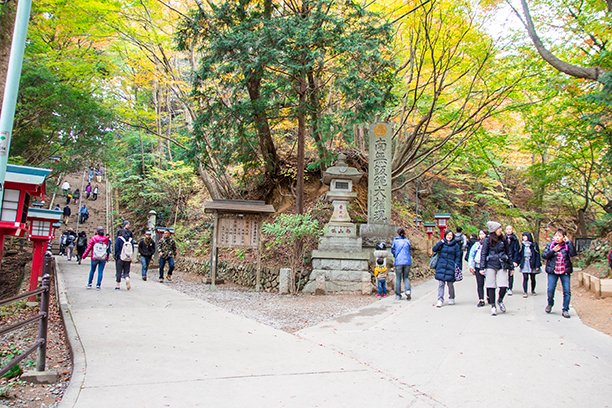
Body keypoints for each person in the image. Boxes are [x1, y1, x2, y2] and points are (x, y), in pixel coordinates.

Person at [542, 228, 577, 318]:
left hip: (564, 272)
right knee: (550, 289)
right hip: (553, 271)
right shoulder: (550, 245)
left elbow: (573, 254)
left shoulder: (567, 246)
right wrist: (553, 250)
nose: (557, 238)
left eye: (559, 236)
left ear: (564, 237)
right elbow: (544, 256)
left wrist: (569, 242)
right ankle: (550, 304)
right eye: (556, 235)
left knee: (567, 291)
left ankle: (565, 309)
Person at [480, 221, 511, 316]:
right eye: (499, 228)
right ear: (494, 230)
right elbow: (483, 253)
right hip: (490, 264)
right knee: (491, 285)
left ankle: (500, 300)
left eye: (501, 228)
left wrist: (511, 266)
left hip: (502, 263)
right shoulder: (487, 240)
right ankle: (493, 306)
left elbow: (508, 252)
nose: (501, 230)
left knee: (504, 285)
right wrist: (482, 267)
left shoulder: (503, 239)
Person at [433, 230, 462, 307]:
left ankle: (451, 297)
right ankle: (440, 299)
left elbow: (458, 256)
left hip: (450, 266)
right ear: (445, 235)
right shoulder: (442, 244)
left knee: (450, 283)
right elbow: (434, 249)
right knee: (441, 284)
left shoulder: (455, 245)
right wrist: (440, 242)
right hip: (441, 265)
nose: (449, 236)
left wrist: (456, 265)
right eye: (448, 235)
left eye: (451, 235)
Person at [468, 229, 488, 307]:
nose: (481, 236)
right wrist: (471, 266)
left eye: (483, 234)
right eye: (480, 234)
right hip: (478, 266)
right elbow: (471, 256)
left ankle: (489, 296)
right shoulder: (476, 245)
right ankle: (481, 299)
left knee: (489, 283)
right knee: (480, 283)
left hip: (488, 266)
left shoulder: (490, 244)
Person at [391, 228, 412, 300]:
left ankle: (398, 295)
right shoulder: (407, 241)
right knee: (406, 277)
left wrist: (395, 255)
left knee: (398, 278)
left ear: (398, 234)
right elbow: (409, 249)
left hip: (399, 262)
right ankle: (408, 291)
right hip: (407, 261)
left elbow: (392, 250)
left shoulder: (396, 241)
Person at [519, 232, 542, 297]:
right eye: (523, 236)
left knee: (532, 277)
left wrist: (537, 265)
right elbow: (519, 255)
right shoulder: (522, 245)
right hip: (525, 262)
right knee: (525, 277)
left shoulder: (534, 245)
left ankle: (533, 290)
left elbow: (537, 255)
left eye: (525, 236)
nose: (524, 238)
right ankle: (525, 291)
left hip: (532, 262)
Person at [504, 225, 521, 296]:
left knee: (510, 273)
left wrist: (515, 261)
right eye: (507, 229)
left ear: (512, 230)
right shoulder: (503, 238)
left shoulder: (515, 239)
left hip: (512, 257)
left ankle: (510, 288)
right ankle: (504, 287)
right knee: (503, 273)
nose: (508, 231)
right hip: (504, 258)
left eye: (510, 229)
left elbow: (517, 250)